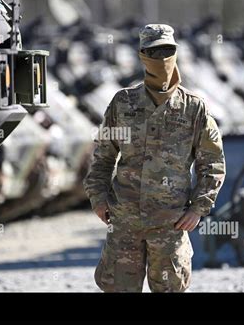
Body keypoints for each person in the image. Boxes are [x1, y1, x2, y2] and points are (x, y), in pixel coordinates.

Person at [83, 24, 226, 292]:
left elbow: (213, 164)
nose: (161, 58)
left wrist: (198, 208)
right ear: (142, 56)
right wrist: (98, 199)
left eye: (167, 51)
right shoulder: (123, 104)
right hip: (124, 222)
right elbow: (103, 157)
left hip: (170, 224)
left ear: (176, 53)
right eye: (154, 52)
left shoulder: (194, 108)